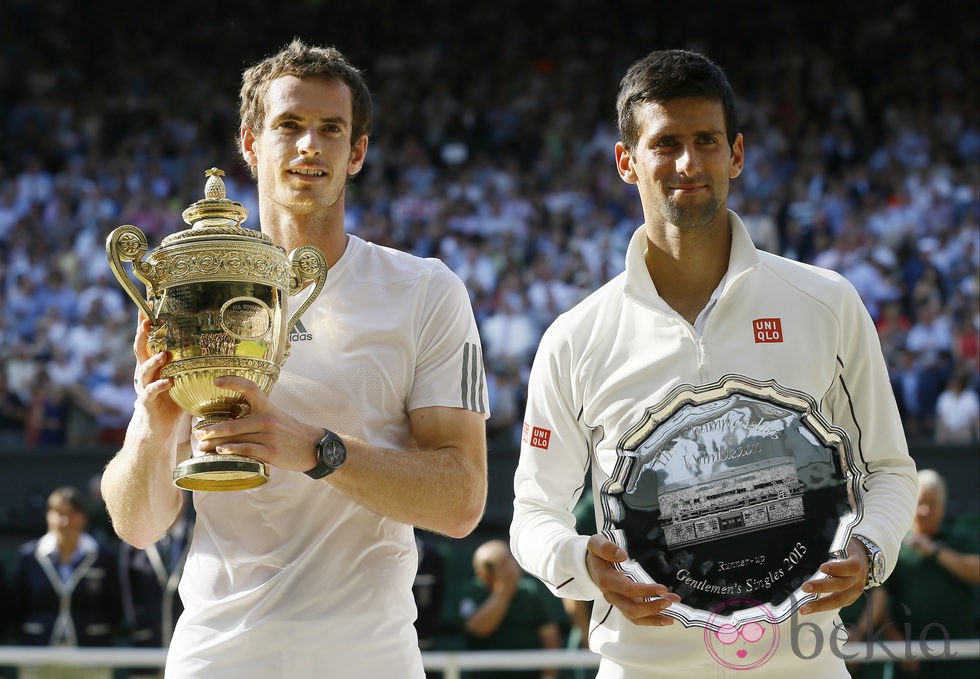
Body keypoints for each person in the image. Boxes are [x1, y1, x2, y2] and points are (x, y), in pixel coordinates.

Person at [510, 49, 918, 678]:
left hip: (802, 665)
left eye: (706, 140)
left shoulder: (826, 302)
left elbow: (890, 470)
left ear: (737, 155)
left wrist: (869, 550)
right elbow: (533, 512)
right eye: (665, 142)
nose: (687, 163)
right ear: (627, 161)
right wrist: (580, 564)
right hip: (641, 666)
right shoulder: (575, 337)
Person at [100, 39, 489, 678]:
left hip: (368, 661)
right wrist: (154, 421)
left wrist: (314, 449)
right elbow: (138, 525)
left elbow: (462, 500)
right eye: (289, 126)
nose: (309, 145)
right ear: (251, 145)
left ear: (356, 151)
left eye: (330, 129)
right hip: (216, 657)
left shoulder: (425, 291)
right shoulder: (193, 295)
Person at [9, 486, 122, 679]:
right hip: (38, 655)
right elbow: (17, 606)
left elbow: (114, 607)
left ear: (83, 518)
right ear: (48, 516)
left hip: (91, 656)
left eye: (72, 513)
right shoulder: (28, 556)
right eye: (58, 513)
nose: (65, 521)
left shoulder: (103, 557)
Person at [881, 469, 979, 678]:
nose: (925, 511)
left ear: (943, 507)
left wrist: (935, 551)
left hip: (960, 662)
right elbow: (878, 604)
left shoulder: (961, 539)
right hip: (910, 665)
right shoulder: (895, 546)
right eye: (920, 503)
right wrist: (901, 647)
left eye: (932, 504)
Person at [456, 539, 562, 679]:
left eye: (509, 560)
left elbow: (549, 635)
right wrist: (503, 591)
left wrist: (548, 675)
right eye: (500, 565)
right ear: (482, 573)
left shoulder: (529, 592)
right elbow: (478, 628)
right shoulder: (471, 592)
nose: (510, 567)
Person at [118, 491, 193, 678]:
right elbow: (127, 594)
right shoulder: (136, 542)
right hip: (146, 644)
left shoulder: (201, 537)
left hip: (190, 642)